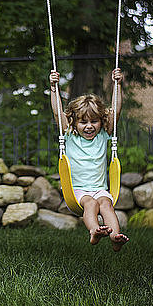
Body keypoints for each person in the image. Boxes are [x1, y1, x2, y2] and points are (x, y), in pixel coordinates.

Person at [49, 68, 129, 251]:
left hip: (100, 188)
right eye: (83, 122)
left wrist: (117, 85)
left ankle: (115, 237)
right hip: (78, 192)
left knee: (106, 204)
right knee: (91, 204)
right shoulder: (70, 135)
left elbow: (116, 111)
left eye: (94, 121)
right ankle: (94, 231)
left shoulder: (102, 136)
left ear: (101, 121)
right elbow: (57, 112)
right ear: (74, 123)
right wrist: (54, 89)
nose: (89, 126)